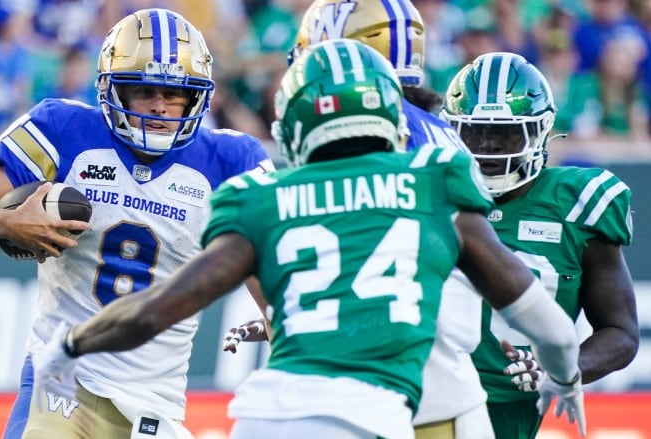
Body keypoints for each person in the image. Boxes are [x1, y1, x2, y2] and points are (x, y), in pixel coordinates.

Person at [31, 38, 586, 439]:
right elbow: (545, 321)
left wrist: (69, 345)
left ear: (290, 127)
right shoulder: (435, 183)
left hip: (267, 418)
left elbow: (156, 310)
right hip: (374, 415)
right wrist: (565, 375)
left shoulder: (261, 200)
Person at [0, 8, 273, 439]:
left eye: (174, 93)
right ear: (113, 89)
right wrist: (5, 223)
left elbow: (271, 279)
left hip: (156, 402)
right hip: (63, 382)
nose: (160, 106)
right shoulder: (65, 130)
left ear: (197, 97)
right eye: (144, 91)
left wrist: (282, 321)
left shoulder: (230, 161)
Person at [224, 1, 496, 437]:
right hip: (450, 377)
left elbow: (358, 247)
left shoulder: (365, 129)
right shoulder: (440, 133)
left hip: (384, 375)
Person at [440, 51, 639, 439]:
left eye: (504, 134)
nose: (488, 147)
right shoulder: (428, 189)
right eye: (475, 131)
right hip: (423, 394)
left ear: (540, 130)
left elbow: (620, 332)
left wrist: (558, 370)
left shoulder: (577, 203)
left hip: (509, 415)